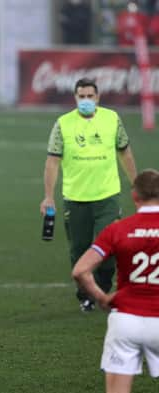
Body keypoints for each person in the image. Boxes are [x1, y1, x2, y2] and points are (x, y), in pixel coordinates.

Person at [40, 78, 137, 312]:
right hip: (75, 198)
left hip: (107, 196)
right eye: (81, 96)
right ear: (75, 98)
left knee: (109, 249)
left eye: (89, 96)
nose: (85, 101)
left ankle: (101, 288)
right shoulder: (63, 124)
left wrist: (136, 184)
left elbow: (125, 153)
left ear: (98, 97)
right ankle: (85, 295)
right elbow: (52, 162)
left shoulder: (112, 119)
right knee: (79, 249)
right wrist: (48, 196)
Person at [71, 169, 159, 393]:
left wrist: (102, 297)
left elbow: (80, 271)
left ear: (135, 197)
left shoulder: (118, 229)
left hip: (125, 321)